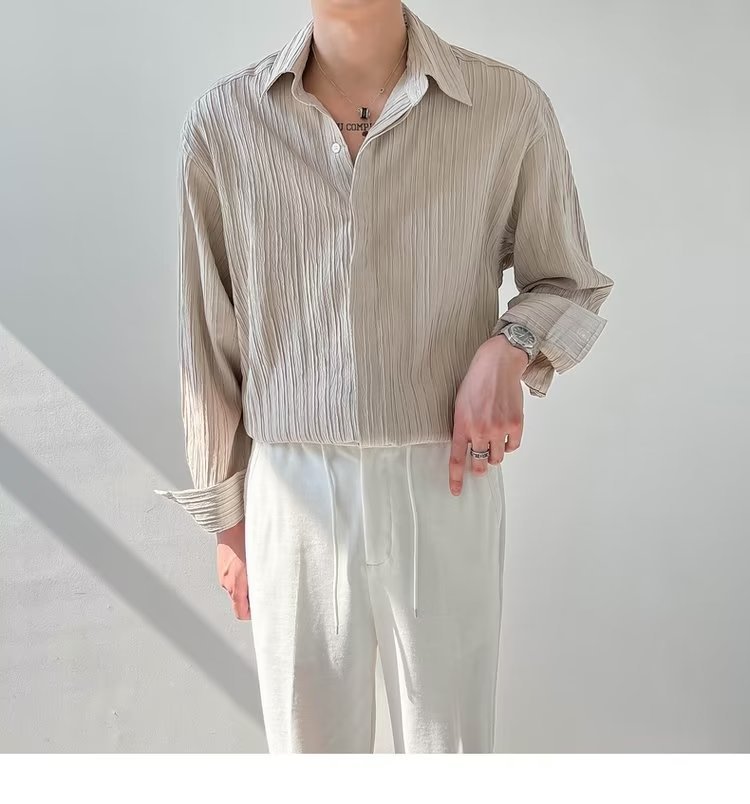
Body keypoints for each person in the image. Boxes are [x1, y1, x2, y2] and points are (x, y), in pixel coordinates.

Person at [154, 0, 614, 753]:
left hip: (444, 481)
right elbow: (208, 332)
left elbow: (567, 281)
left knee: (450, 754)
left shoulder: (505, 107)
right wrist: (228, 517)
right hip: (291, 490)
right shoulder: (224, 123)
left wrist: (508, 349)